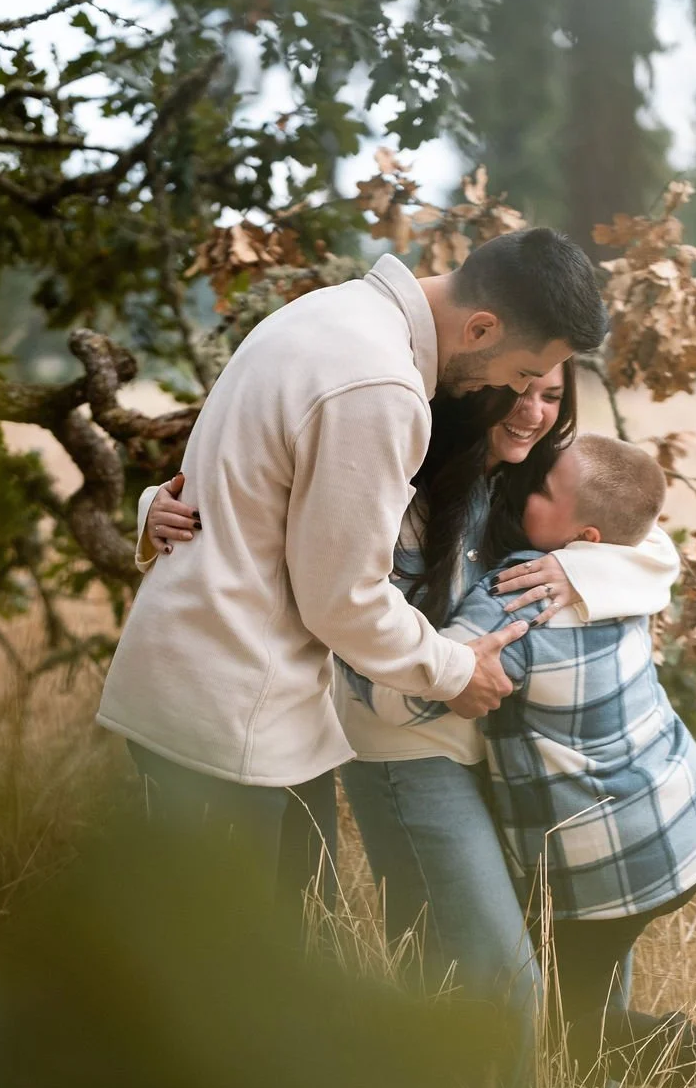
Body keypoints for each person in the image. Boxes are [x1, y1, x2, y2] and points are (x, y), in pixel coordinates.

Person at [142, 365, 680, 1088]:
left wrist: (586, 574)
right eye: (520, 385)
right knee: (499, 976)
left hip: (502, 756)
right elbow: (268, 523)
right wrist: (153, 507)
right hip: (412, 754)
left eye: (552, 394)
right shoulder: (399, 479)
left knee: (550, 962)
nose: (532, 410)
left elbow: (649, 540)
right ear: (474, 385)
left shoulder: (538, 481)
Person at [96, 229, 608, 890]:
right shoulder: (380, 384)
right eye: (521, 374)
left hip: (232, 705)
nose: (511, 392)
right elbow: (343, 598)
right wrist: (454, 669)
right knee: (248, 975)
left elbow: (237, 486)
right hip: (230, 721)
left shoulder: (327, 311)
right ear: (481, 328)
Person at [367, 433, 696, 1088]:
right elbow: (652, 541)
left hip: (609, 858)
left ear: (582, 533)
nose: (523, 491)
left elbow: (429, 681)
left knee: (563, 1026)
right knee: (579, 1003)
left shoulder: (522, 592)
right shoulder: (617, 565)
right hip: (672, 830)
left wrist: (351, 645)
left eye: (542, 492)